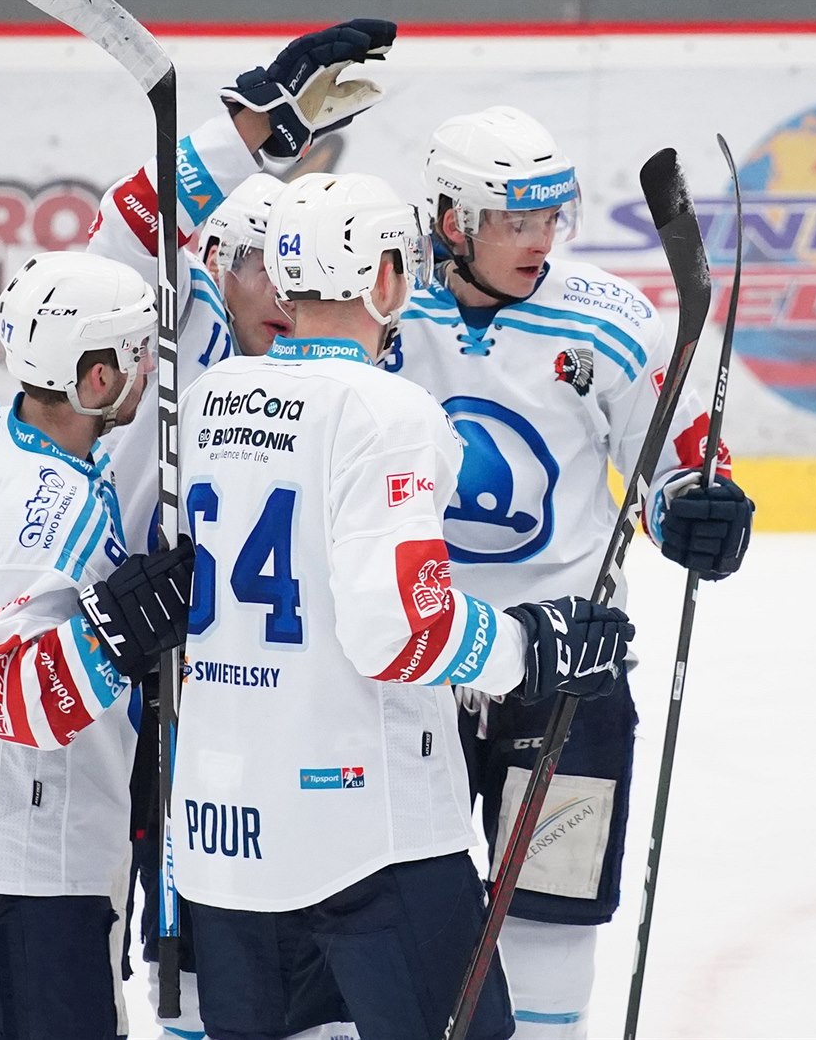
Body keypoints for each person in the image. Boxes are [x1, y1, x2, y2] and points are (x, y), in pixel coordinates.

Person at [171, 171, 636, 1040]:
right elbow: (400, 629)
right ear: (384, 277)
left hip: (225, 830)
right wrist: (532, 645)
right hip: (367, 827)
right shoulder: (387, 410)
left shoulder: (205, 399)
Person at [394, 104, 756, 1037]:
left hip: (568, 668)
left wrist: (697, 509)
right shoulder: (382, 313)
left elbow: (673, 462)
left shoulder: (613, 320)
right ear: (452, 221)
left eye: (551, 216)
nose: (541, 239)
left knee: (549, 938)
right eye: (515, 220)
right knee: (392, 931)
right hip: (411, 670)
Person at [85, 21, 394, 1038]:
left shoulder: (339, 372)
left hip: (279, 690)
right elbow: (124, 236)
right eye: (263, 269)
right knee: (177, 937)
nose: (285, 297)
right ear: (216, 261)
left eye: (298, 275)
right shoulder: (168, 324)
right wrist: (246, 134)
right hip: (150, 671)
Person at [0, 250, 192, 1039]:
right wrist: (115, 636)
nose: (148, 367)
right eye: (137, 353)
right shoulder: (47, 505)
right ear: (95, 378)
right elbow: (1, 692)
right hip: (17, 872)